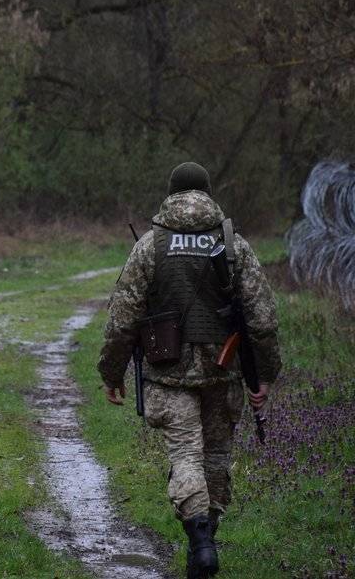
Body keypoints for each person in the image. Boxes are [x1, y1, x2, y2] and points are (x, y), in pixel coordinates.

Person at [97, 162, 281, 578]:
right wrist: (264, 374)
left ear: (171, 193)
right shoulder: (234, 245)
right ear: (208, 192)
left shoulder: (151, 245)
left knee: (185, 455)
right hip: (224, 372)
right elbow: (263, 321)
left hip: (167, 372)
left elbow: (122, 318)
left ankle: (200, 546)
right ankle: (207, 542)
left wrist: (112, 374)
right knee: (216, 457)